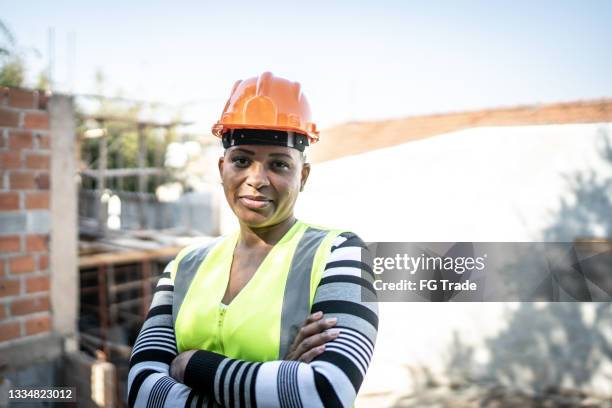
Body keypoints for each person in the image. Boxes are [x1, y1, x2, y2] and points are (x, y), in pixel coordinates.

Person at [127, 72, 378, 407]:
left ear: (302, 176)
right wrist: (276, 380)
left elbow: (326, 392)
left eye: (279, 164)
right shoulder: (184, 265)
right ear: (222, 168)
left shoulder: (339, 253)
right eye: (242, 160)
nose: (256, 180)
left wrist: (190, 365)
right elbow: (140, 389)